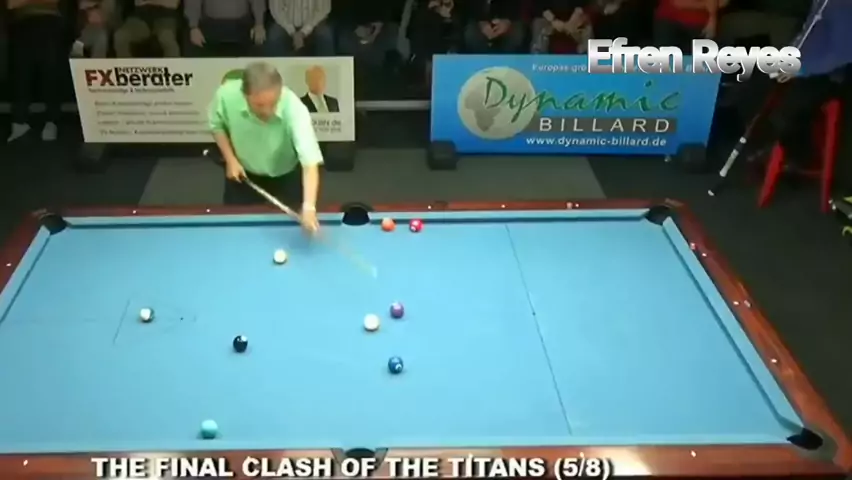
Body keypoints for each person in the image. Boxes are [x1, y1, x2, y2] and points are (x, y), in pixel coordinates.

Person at [209, 62, 323, 234]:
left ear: (280, 91)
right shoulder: (226, 95)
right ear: (245, 95)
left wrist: (309, 208)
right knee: (236, 233)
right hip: (244, 176)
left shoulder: (295, 108)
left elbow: (309, 162)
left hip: (286, 175)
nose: (267, 111)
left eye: (273, 103)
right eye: (259, 105)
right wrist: (230, 159)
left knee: (292, 231)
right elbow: (217, 126)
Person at [6, 0, 66, 142]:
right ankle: (19, 122)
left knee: (49, 68)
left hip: (50, 20)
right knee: (21, 71)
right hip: (22, 22)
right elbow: (11, 4)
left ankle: (51, 120)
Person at [113, 0, 181, 57]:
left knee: (166, 37)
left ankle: (173, 67)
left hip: (167, 13)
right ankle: (126, 67)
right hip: (140, 13)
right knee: (120, 36)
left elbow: (173, 3)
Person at [265, 0, 334, 56]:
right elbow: (277, 10)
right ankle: (278, 68)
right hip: (285, 24)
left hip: (313, 23)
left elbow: (323, 10)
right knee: (274, 35)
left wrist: (303, 31)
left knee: (325, 34)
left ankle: (325, 67)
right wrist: (292, 31)